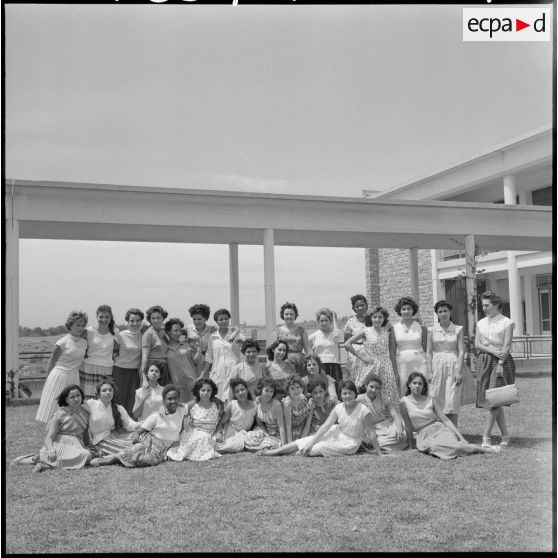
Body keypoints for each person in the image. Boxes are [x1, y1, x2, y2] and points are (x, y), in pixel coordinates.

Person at [260, 380, 381, 457]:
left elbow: (371, 433)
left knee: (317, 448)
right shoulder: (339, 407)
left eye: (350, 393)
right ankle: (273, 452)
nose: (347, 396)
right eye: (344, 393)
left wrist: (379, 453)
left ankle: (284, 454)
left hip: (349, 443)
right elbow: (325, 426)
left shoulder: (363, 410)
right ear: (341, 395)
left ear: (355, 394)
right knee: (308, 441)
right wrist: (312, 441)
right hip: (336, 432)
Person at [399, 372, 500, 459]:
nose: (417, 386)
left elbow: (445, 419)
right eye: (414, 383)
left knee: (454, 445)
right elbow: (407, 426)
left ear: (423, 386)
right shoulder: (403, 402)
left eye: (420, 384)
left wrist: (461, 437)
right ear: (409, 384)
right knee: (435, 448)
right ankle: (472, 448)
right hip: (423, 435)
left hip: (439, 429)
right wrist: (410, 446)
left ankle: (482, 449)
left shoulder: (430, 400)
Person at [92, 385, 188, 468]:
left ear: (179, 400)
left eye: (175, 398)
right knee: (137, 451)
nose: (173, 401)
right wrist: (135, 437)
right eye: (169, 399)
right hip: (151, 441)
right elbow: (138, 431)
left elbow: (195, 401)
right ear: (164, 401)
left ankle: (116, 458)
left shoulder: (182, 410)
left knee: (149, 460)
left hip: (164, 448)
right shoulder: (157, 415)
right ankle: (112, 459)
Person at [16, 385, 92, 472]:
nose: (76, 399)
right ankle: (41, 458)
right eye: (72, 397)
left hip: (76, 445)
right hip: (59, 444)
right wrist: (50, 449)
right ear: (66, 399)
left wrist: (88, 446)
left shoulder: (86, 413)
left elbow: (85, 434)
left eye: (78, 395)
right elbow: (49, 437)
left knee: (87, 455)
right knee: (80, 457)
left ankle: (45, 466)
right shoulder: (59, 414)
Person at [474, 291, 516, 448]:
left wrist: (500, 363)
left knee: (494, 401)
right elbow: (477, 345)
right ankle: (505, 434)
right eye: (483, 305)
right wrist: (492, 351)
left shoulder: (507, 322)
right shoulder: (481, 323)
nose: (484, 308)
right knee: (494, 399)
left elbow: (506, 345)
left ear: (497, 305)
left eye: (487, 305)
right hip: (484, 361)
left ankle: (486, 436)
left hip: (501, 362)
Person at [36, 310, 88, 423]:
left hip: (74, 376)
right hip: (59, 376)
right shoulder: (62, 342)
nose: (80, 328)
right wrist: (49, 381)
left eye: (83, 325)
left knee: (72, 407)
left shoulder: (84, 343)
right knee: (54, 406)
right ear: (70, 326)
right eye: (78, 325)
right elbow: (51, 363)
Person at [344, 305, 400, 406]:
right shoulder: (366, 331)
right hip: (370, 365)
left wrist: (395, 371)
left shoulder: (387, 331)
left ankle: (387, 415)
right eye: (375, 317)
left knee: (387, 390)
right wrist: (361, 357)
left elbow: (392, 352)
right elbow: (347, 344)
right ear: (371, 318)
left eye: (380, 317)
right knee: (366, 390)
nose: (377, 320)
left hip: (385, 365)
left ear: (384, 318)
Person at [426, 300, 465, 427]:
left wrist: (459, 372)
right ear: (437, 314)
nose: (443, 314)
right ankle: (438, 429)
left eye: (445, 311)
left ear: (450, 312)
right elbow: (429, 352)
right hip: (437, 364)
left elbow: (461, 351)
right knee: (436, 396)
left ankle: (454, 432)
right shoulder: (431, 330)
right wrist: (429, 371)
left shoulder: (458, 329)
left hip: (453, 364)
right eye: (440, 311)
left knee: (452, 398)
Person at [166, 378, 222, 461]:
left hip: (210, 432)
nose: (205, 393)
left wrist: (219, 432)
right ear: (198, 391)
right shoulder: (194, 403)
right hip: (195, 431)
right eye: (203, 390)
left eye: (208, 390)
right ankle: (185, 452)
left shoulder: (216, 404)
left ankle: (198, 451)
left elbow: (222, 415)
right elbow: (180, 409)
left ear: (212, 391)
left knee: (209, 440)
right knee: (200, 439)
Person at [86, 378, 139, 463]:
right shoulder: (91, 404)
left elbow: (130, 425)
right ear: (99, 394)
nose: (108, 392)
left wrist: (146, 422)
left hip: (113, 438)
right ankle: (111, 458)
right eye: (104, 390)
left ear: (113, 392)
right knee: (134, 449)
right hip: (99, 442)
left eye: (110, 390)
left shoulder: (118, 408)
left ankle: (112, 457)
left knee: (139, 440)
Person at [356, 374, 407, 453]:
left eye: (377, 388)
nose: (374, 390)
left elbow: (395, 415)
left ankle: (375, 446)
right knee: (369, 438)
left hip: (387, 425)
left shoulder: (384, 398)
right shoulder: (359, 399)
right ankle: (376, 445)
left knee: (402, 436)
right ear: (366, 385)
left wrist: (399, 429)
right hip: (370, 428)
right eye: (371, 387)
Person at [202, 308, 244, 401]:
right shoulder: (212, 337)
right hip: (217, 372)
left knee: (232, 399)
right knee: (216, 399)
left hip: (234, 371)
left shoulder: (237, 335)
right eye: (221, 319)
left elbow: (244, 350)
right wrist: (203, 373)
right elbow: (209, 358)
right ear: (217, 321)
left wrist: (236, 333)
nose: (224, 321)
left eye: (226, 319)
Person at [80, 304, 118, 398]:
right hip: (88, 369)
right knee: (87, 400)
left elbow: (117, 351)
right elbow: (80, 349)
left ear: (111, 318)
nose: (104, 319)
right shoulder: (88, 331)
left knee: (104, 399)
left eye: (107, 317)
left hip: (107, 370)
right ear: (97, 317)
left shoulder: (115, 332)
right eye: (101, 316)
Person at [393, 296, 427, 395]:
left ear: (413, 310)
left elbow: (426, 348)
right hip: (403, 364)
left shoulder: (421, 327)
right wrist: (395, 371)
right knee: (404, 389)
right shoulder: (394, 328)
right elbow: (392, 351)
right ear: (399, 311)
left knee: (421, 388)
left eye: (409, 309)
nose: (406, 311)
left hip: (420, 363)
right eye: (403, 309)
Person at [112, 308, 144, 414]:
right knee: (118, 398)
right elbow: (113, 351)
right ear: (127, 321)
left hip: (135, 372)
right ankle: (116, 424)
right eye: (132, 321)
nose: (135, 323)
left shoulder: (144, 335)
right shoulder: (120, 335)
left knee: (132, 399)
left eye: (138, 320)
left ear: (141, 321)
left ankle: (129, 425)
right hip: (120, 371)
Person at [213, 378, 258, 453]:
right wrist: (219, 438)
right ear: (235, 394)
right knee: (222, 445)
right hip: (230, 433)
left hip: (244, 433)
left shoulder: (255, 405)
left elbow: (259, 423)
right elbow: (222, 423)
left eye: (242, 389)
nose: (240, 393)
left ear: (247, 390)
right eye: (237, 391)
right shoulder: (232, 405)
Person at [165, 317, 201, 403]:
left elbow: (196, 361)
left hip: (192, 383)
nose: (178, 333)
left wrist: (198, 349)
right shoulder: (165, 348)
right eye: (175, 330)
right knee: (180, 410)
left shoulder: (187, 345)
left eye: (180, 330)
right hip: (176, 385)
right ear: (168, 332)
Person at [244, 378, 287, 451]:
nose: (269, 393)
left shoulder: (276, 404)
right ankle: (264, 444)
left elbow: (282, 427)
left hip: (277, 433)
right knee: (248, 437)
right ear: (260, 390)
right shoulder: (258, 403)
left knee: (267, 444)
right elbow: (260, 424)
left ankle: (264, 446)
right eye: (266, 390)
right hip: (266, 431)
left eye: (271, 391)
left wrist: (283, 445)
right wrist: (266, 433)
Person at [308, 307, 344, 383]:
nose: (324, 323)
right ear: (318, 321)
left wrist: (334, 319)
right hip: (319, 367)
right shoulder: (312, 337)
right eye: (321, 321)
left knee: (336, 390)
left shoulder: (336, 335)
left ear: (330, 321)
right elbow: (308, 354)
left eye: (326, 320)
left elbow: (337, 335)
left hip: (334, 366)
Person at [276, 302, 310, 375]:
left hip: (299, 365)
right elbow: (274, 350)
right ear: (282, 315)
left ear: (295, 315)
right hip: (283, 364)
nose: (289, 316)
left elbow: (308, 349)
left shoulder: (302, 331)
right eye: (286, 314)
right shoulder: (277, 331)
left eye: (291, 314)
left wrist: (314, 362)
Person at [140, 305, 171, 386]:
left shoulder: (165, 332)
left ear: (163, 318)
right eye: (153, 318)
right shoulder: (148, 334)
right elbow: (144, 358)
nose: (155, 320)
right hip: (152, 370)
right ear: (149, 319)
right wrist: (144, 378)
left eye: (158, 318)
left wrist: (163, 329)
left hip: (164, 369)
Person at [343, 294, 370, 383]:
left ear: (366, 305)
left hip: (371, 353)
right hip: (355, 355)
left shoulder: (373, 319)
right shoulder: (350, 322)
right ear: (354, 308)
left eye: (362, 305)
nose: (360, 308)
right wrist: (355, 354)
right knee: (356, 380)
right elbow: (346, 342)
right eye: (357, 306)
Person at [186, 304, 217, 377]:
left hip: (208, 368)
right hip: (192, 368)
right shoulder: (188, 329)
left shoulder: (212, 330)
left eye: (199, 319)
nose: (196, 322)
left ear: (206, 318)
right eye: (194, 319)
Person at [282, 376, 312, 443]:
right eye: (292, 388)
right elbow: (288, 427)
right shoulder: (288, 404)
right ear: (288, 390)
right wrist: (290, 444)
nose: (296, 391)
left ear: (301, 388)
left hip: (304, 429)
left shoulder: (303, 398)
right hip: (292, 432)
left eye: (298, 387)